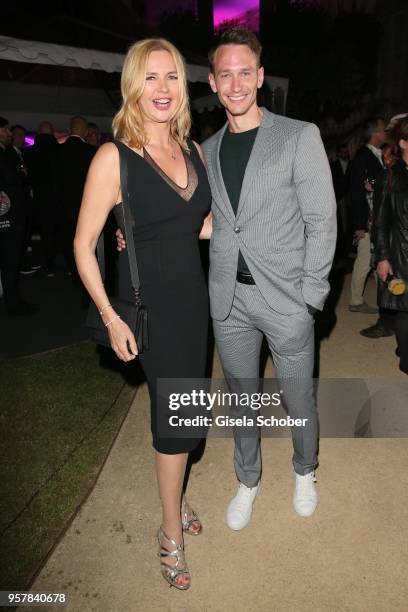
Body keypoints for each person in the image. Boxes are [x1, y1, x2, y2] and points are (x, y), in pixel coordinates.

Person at [116, 27, 336, 526]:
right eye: (224, 75)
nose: (235, 84)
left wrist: (312, 298)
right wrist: (135, 234)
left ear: (259, 77)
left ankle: (305, 468)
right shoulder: (203, 151)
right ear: (212, 83)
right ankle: (248, 479)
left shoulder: (299, 136)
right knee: (241, 398)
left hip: (287, 301)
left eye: (244, 72)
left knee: (297, 394)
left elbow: (323, 221)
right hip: (228, 300)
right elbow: (195, 220)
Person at [74, 38, 212, 590]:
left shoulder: (193, 151)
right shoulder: (114, 156)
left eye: (172, 77)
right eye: (151, 78)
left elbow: (195, 226)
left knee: (188, 414)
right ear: (133, 85)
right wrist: (111, 317)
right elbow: (83, 245)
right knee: (176, 422)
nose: (162, 89)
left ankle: (176, 496)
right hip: (150, 312)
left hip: (194, 305)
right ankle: (169, 533)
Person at [374, 116, 408, 374]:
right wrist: (383, 258)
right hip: (401, 254)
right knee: (406, 311)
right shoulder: (390, 177)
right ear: (404, 143)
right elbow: (381, 222)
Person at [348, 117, 388, 316]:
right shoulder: (363, 156)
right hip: (367, 219)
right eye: (383, 129)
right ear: (374, 133)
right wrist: (359, 225)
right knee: (365, 259)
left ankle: (383, 299)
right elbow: (355, 192)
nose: (386, 132)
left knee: (374, 258)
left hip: (376, 217)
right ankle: (355, 301)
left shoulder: (377, 154)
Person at [0, 117, 36, 315]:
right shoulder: (4, 156)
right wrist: (22, 174)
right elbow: (12, 181)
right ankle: (13, 305)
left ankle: (14, 301)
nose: (9, 133)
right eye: (5, 129)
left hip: (7, 216)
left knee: (10, 262)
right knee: (10, 262)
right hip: (8, 218)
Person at [56, 116, 95, 274]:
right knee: (87, 244)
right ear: (85, 132)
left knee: (69, 242)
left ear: (69, 130)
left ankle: (74, 272)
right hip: (86, 207)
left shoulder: (57, 151)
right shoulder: (92, 152)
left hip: (63, 207)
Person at [25, 121, 59, 276]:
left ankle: (37, 262)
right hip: (56, 200)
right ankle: (52, 265)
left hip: (34, 199)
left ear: (38, 133)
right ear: (52, 133)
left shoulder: (28, 153)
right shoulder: (60, 151)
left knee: (34, 234)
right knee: (53, 234)